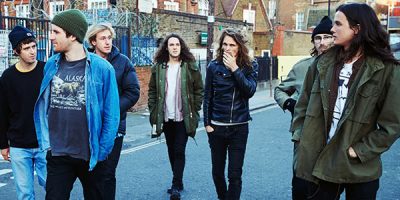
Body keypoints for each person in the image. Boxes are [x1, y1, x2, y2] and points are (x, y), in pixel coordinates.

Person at [292, 3, 400, 199]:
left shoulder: (387, 70)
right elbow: (303, 105)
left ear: (357, 29)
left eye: (338, 24)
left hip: (359, 166)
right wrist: (300, 137)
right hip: (321, 159)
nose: (332, 29)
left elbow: (393, 123)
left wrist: (359, 151)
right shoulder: (321, 64)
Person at [33, 9, 120, 200]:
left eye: (56, 32)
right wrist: (47, 145)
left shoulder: (103, 69)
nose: (51, 37)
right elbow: (44, 105)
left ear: (72, 35)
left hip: (91, 155)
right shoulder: (51, 64)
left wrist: (102, 152)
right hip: (58, 154)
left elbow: (111, 115)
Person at [273, 16, 334, 200]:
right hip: (304, 136)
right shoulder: (302, 67)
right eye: (317, 38)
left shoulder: (344, 68)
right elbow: (280, 90)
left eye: (326, 37)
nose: (322, 42)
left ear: (334, 38)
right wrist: (289, 104)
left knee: (326, 188)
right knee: (300, 186)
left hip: (331, 138)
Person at [85, 22, 140, 200]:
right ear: (93, 41)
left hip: (114, 127)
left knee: (108, 173)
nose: (108, 42)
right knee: (91, 173)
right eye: (103, 38)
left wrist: (110, 111)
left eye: (109, 38)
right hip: (90, 126)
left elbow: (133, 92)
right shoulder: (85, 61)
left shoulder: (123, 62)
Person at [203, 28, 258, 200]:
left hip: (239, 128)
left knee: (234, 174)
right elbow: (208, 96)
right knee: (217, 172)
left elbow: (249, 91)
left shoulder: (250, 66)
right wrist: (207, 124)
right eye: (225, 44)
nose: (227, 48)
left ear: (239, 47)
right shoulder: (213, 66)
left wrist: (235, 68)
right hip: (217, 127)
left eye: (232, 45)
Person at [148, 33, 203, 200]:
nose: (174, 47)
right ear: (166, 47)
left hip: (183, 116)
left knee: (179, 150)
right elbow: (152, 91)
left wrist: (195, 108)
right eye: (171, 45)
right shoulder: (159, 67)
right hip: (165, 116)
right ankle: (178, 182)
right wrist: (153, 109)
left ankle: (175, 185)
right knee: (171, 150)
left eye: (177, 45)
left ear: (181, 47)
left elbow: (199, 90)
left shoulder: (190, 66)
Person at [0, 26, 46, 200]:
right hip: (19, 145)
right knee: (25, 193)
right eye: (26, 48)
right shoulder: (8, 77)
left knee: (54, 188)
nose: (32, 51)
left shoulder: (46, 70)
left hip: (45, 142)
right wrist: (3, 144)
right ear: (16, 51)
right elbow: (2, 112)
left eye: (33, 46)